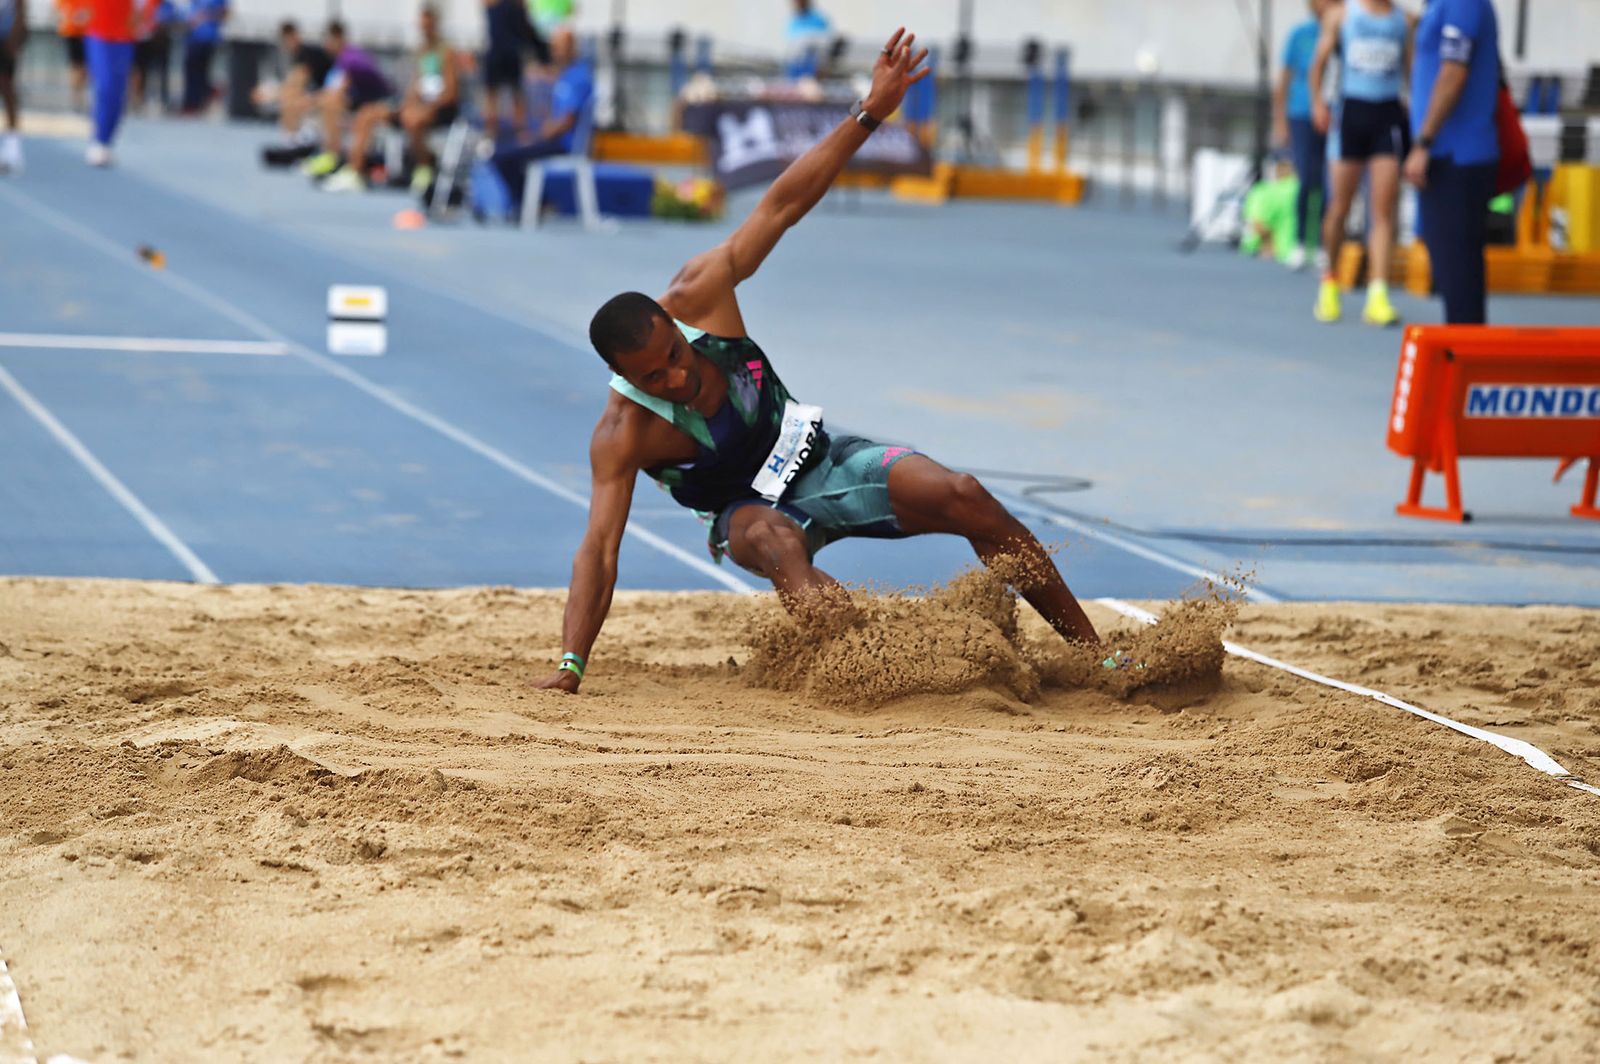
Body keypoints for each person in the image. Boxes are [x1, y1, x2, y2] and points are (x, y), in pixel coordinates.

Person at [535, 28, 1101, 696]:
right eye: (655, 377)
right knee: (776, 543)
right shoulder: (623, 432)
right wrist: (571, 665)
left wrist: (869, 114)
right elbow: (600, 548)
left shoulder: (702, 294)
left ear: (678, 326)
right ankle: (879, 669)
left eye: (676, 355)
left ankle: (1097, 658)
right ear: (627, 380)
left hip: (820, 458)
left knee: (966, 495)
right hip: (744, 513)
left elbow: (784, 203)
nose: (678, 376)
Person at [1309, 0, 1414, 326]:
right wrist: (1317, 103)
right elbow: (1319, 64)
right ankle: (1329, 281)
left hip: (1387, 116)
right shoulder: (1341, 16)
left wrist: (1415, 113)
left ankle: (1378, 293)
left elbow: (1410, 72)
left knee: (1382, 210)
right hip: (1351, 115)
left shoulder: (1403, 20)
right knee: (1340, 206)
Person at [1405, 0, 1501, 324]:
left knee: (1460, 279)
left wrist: (1424, 141)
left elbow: (1454, 71)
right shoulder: (1437, 5)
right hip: (1447, 155)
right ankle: (1468, 363)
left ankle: (1469, 367)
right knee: (1452, 275)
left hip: (1458, 156)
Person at [322, 4, 461, 194]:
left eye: (427, 23)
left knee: (413, 119)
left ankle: (424, 168)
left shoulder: (447, 52)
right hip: (417, 106)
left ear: (435, 24)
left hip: (440, 108)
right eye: (421, 23)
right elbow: (417, 85)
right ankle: (355, 171)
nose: (423, 27)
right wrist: (407, 103)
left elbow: (450, 92)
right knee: (367, 113)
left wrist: (425, 107)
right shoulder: (421, 51)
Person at [487, 24, 591, 214]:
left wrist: (535, 138)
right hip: (549, 138)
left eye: (560, 46)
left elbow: (566, 122)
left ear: (572, 47)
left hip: (562, 144)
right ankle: (531, 202)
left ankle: (533, 203)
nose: (555, 51)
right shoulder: (564, 75)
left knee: (503, 156)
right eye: (554, 46)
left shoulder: (579, 77)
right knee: (499, 148)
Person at [1272, 0, 1328, 271]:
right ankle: (1299, 241)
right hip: (1301, 115)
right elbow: (1283, 80)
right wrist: (1280, 122)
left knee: (1328, 184)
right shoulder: (1300, 35)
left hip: (1332, 117)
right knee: (1307, 178)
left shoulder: (1341, 29)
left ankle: (1321, 244)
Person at [302, 21, 393, 182]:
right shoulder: (342, 59)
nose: (326, 45)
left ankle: (341, 161)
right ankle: (331, 155)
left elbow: (340, 89)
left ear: (338, 38)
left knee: (332, 104)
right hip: (361, 100)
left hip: (380, 102)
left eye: (329, 40)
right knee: (328, 103)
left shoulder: (351, 58)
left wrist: (312, 100)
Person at [84, 0, 156, 167]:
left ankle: (106, 141)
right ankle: (98, 140)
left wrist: (142, 18)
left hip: (124, 38)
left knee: (118, 93)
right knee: (105, 87)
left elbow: (147, 7)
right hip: (99, 34)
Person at [263, 19, 333, 156]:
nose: (287, 44)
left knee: (291, 100)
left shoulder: (307, 53)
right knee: (289, 98)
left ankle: (294, 144)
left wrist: (272, 94)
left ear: (295, 36)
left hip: (326, 93)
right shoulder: (298, 55)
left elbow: (298, 80)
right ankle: (290, 142)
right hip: (317, 93)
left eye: (288, 39)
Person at [482, 0, 548, 139]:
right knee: (498, 95)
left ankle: (517, 132)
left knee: (513, 95)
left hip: (506, 53)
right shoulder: (512, 5)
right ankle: (495, 132)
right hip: (503, 53)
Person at [179, 0, 226, 115]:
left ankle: (194, 103)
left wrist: (206, 15)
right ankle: (194, 101)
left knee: (200, 72)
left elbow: (224, 13)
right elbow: (189, 13)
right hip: (193, 38)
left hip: (208, 38)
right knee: (190, 71)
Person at [130, 1, 176, 112]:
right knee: (140, 71)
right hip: (139, 39)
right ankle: (138, 99)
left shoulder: (162, 4)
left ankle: (162, 101)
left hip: (157, 39)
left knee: (160, 71)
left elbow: (166, 17)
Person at [0, 0, 24, 174]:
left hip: (4, 36)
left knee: (6, 87)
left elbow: (21, 8)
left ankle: (12, 147)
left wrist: (15, 39)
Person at [56, 0, 91, 112]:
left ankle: (78, 94)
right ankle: (76, 96)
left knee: (84, 67)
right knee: (75, 65)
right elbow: (60, 9)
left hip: (88, 32)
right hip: (72, 31)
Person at [785, 0, 831, 80]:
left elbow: (826, 44)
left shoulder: (818, 19)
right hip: (795, 66)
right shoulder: (794, 22)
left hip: (814, 66)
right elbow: (791, 47)